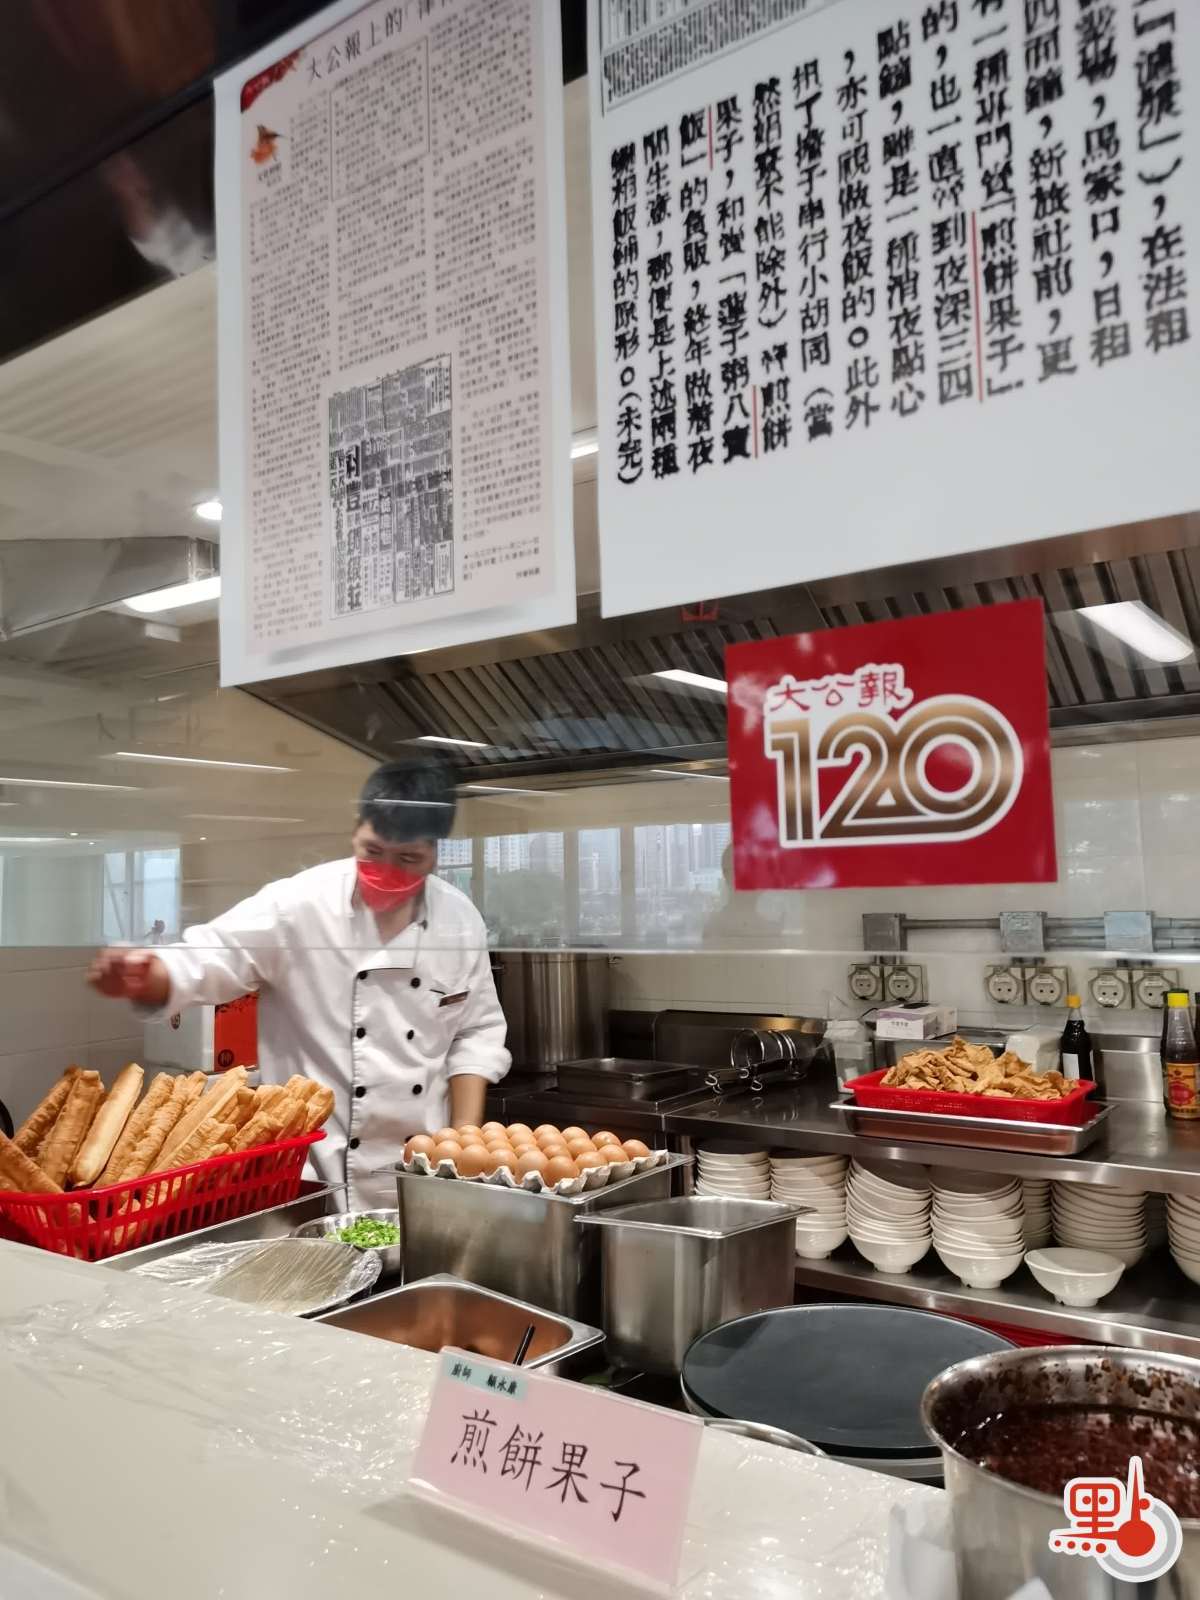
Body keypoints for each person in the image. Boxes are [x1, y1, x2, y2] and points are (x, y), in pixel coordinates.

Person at [88, 759, 509, 1207]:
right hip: (309, 1174)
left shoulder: (458, 919)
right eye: (373, 852)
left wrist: (462, 1143)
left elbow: (476, 1032)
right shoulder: (299, 905)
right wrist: (149, 974)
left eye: (408, 859)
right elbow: (210, 957)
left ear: (435, 853)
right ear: (356, 832)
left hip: (422, 1172)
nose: (387, 871)